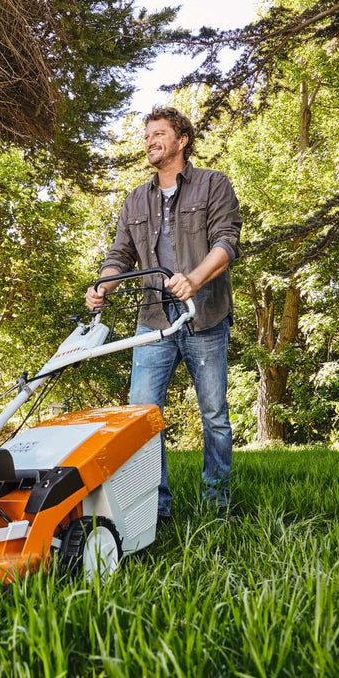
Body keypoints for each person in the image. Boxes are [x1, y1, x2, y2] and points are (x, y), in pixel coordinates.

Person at [86, 106, 242, 523]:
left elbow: (227, 242)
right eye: (147, 136)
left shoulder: (213, 185)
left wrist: (193, 279)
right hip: (153, 321)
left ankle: (217, 504)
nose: (150, 141)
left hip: (204, 316)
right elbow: (119, 255)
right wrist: (104, 286)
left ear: (182, 140)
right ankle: (154, 511)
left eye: (159, 134)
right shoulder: (136, 198)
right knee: (140, 418)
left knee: (214, 415)